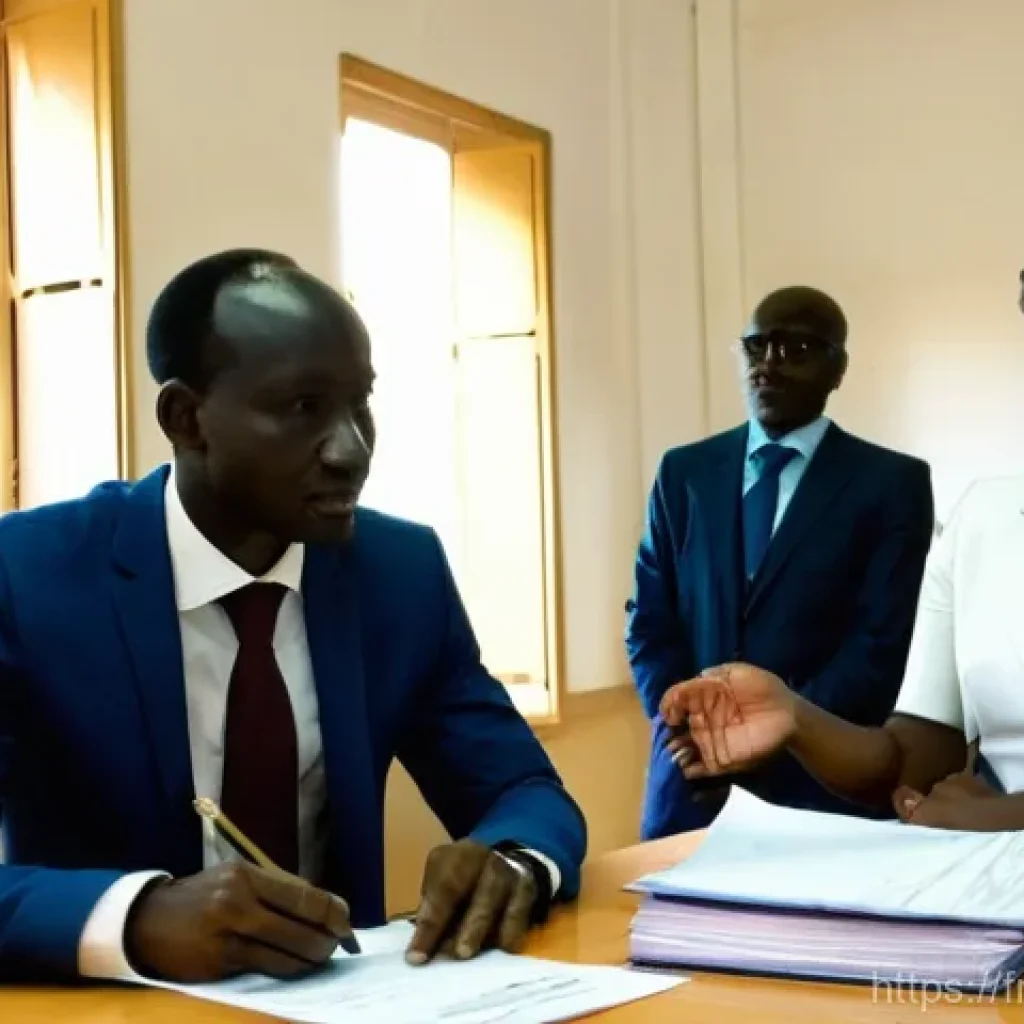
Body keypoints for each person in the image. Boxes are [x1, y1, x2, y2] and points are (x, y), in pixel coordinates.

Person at [0, 249, 586, 983]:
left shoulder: (398, 574)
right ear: (186, 418)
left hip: (343, 1002)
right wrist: (134, 918)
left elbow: (523, 791)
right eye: (304, 408)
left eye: (360, 404)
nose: (352, 450)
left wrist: (513, 861)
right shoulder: (27, 576)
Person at [626, 286, 934, 838]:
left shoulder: (892, 484)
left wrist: (779, 731)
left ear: (838, 368)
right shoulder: (684, 473)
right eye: (756, 346)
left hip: (821, 792)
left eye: (796, 349)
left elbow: (880, 643)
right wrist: (693, 727)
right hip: (691, 786)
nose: (768, 365)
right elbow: (648, 621)